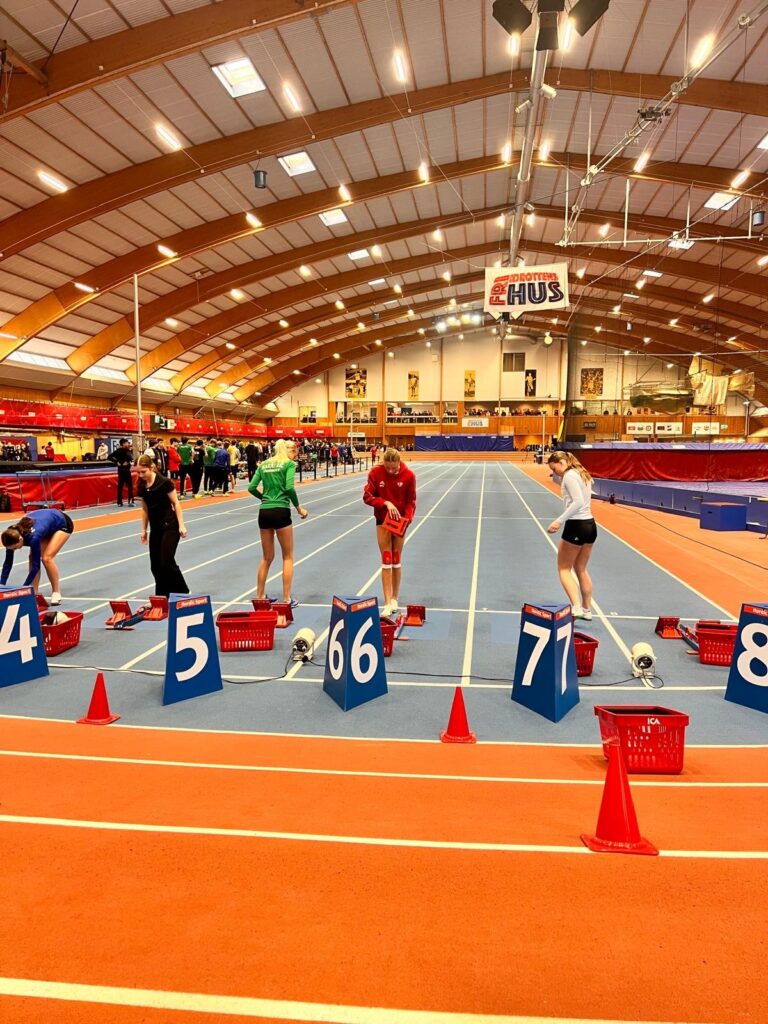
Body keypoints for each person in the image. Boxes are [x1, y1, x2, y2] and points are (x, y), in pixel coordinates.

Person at [248, 438, 308, 606]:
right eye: (295, 453)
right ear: (290, 451)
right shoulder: (288, 464)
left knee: (266, 557)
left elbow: (251, 487)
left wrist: (264, 498)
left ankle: (260, 596)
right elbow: (289, 488)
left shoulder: (264, 464)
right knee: (287, 557)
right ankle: (287, 599)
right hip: (281, 511)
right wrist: (298, 508)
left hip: (264, 512)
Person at [362, 448, 416, 617]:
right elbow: (367, 496)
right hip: (382, 521)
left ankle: (394, 598)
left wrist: (407, 519)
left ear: (399, 462)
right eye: (388, 468)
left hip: (400, 522)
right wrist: (385, 502)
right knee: (386, 560)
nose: (391, 471)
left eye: (394, 468)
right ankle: (386, 602)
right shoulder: (376, 473)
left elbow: (411, 502)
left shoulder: (409, 475)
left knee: (396, 559)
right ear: (383, 462)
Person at [546, 451, 597, 621]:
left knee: (563, 568)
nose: (555, 473)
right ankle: (587, 610)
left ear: (561, 462)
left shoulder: (569, 476)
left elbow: (578, 502)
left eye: (555, 469)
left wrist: (558, 521)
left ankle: (576, 608)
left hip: (576, 525)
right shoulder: (583, 473)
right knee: (581, 568)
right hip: (590, 525)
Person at [136, 454, 189, 598]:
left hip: (170, 526)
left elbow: (176, 503)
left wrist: (182, 525)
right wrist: (143, 530)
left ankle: (183, 591)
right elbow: (145, 509)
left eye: (143, 472)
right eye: (138, 472)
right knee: (155, 566)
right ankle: (162, 596)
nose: (141, 475)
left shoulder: (164, 482)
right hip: (156, 528)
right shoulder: (141, 485)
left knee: (166, 561)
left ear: (151, 467)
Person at [1, 508, 75, 604]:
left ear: (20, 540)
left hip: (62, 523)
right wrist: (1, 586)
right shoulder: (10, 536)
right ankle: (34, 592)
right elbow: (7, 564)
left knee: (46, 558)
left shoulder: (34, 538)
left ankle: (56, 592)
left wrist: (23, 588)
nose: (14, 550)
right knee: (32, 557)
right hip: (45, 524)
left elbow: (36, 567)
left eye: (15, 548)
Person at [108, 437, 135, 506]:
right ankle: (120, 502)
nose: (128, 444)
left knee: (128, 486)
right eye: (126, 443)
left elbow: (131, 458)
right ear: (123, 444)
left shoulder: (128, 450)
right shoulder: (119, 451)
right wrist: (117, 462)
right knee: (122, 486)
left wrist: (128, 462)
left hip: (126, 470)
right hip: (122, 470)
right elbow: (109, 457)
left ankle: (129, 501)